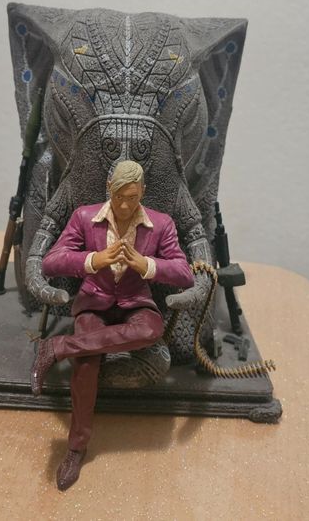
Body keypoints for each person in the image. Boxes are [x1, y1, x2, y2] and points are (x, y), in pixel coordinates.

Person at [31, 160, 195, 490]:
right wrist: (94, 260)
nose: (124, 205)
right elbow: (50, 262)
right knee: (86, 363)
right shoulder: (84, 217)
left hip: (135, 301)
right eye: (119, 197)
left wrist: (146, 265)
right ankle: (76, 447)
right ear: (109, 189)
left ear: (142, 192)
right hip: (94, 301)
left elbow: (184, 273)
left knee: (151, 329)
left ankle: (57, 346)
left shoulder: (160, 224)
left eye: (132, 198)